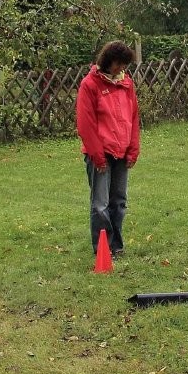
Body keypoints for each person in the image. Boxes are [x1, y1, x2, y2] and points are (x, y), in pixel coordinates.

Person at [75, 41, 141, 258]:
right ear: (108, 61)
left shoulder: (126, 84)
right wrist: (97, 156)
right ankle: (103, 249)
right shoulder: (90, 84)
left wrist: (133, 150)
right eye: (118, 64)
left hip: (122, 153)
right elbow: (86, 124)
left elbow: (133, 118)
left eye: (124, 65)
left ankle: (116, 246)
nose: (121, 68)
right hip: (100, 154)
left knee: (119, 202)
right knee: (100, 205)